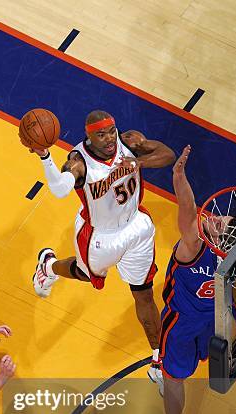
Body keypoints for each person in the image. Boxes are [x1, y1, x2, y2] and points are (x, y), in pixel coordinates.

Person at [23, 110, 176, 391]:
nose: (109, 139)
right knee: (83, 275)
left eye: (111, 132)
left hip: (136, 228)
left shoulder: (129, 142)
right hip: (99, 236)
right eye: (101, 135)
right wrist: (45, 157)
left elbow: (168, 155)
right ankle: (48, 265)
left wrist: (137, 162)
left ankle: (159, 361)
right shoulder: (79, 163)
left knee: (143, 293)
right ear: (89, 136)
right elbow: (59, 189)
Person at [158, 145, 236, 414]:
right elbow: (187, 211)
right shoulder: (192, 245)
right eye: (213, 218)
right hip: (182, 322)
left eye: (221, 220)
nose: (215, 218)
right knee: (174, 378)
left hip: (218, 315)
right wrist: (179, 177)